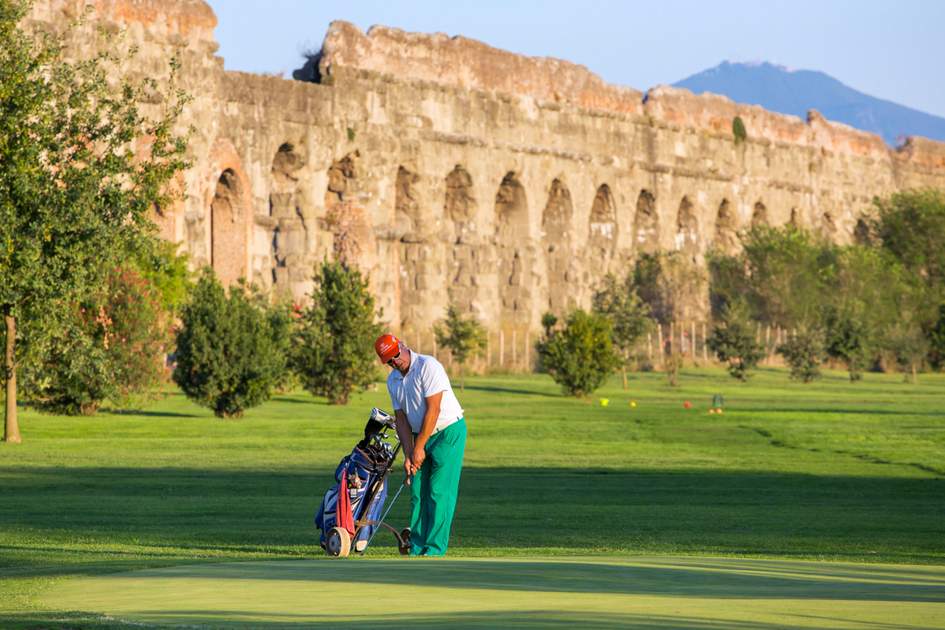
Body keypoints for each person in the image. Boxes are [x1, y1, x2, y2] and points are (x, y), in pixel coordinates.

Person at [374, 333, 467, 557]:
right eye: (389, 360)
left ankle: (434, 549)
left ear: (403, 346)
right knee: (417, 491)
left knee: (438, 492)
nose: (395, 361)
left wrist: (418, 448)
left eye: (396, 355)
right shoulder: (393, 380)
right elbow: (402, 420)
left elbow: (433, 410)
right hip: (418, 435)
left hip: (447, 432)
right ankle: (416, 546)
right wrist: (408, 453)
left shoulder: (428, 366)